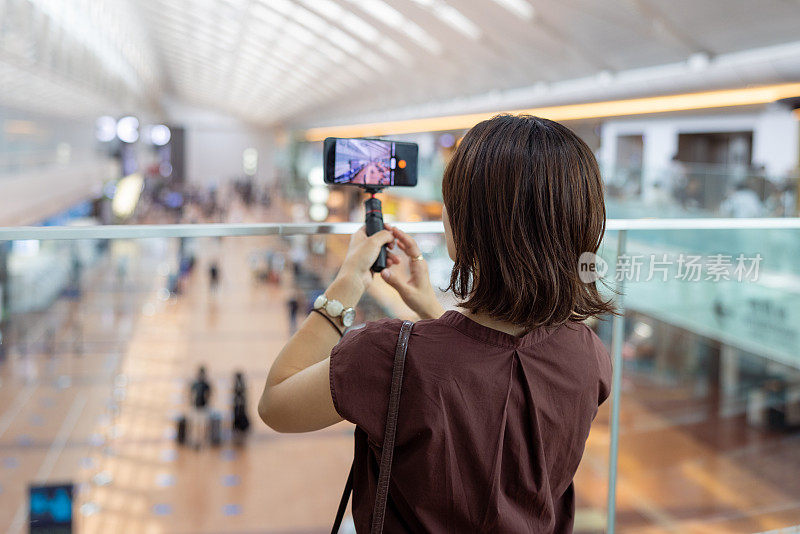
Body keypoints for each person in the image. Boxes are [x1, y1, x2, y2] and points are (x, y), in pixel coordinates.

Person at [259, 115, 614, 532]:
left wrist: (347, 283)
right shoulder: (588, 353)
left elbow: (276, 404)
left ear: (463, 226)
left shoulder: (387, 355)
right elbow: (491, 372)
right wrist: (436, 315)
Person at [189, 366, 212, 449]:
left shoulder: (206, 384)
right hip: (196, 407)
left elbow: (209, 395)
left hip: (203, 407)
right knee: (195, 425)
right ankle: (195, 441)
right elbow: (191, 394)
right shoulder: (195, 384)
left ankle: (202, 441)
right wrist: (192, 403)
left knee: (203, 426)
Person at [231, 372, 250, 446]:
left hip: (241, 404)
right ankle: (237, 429)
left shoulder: (242, 384)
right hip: (237, 403)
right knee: (237, 416)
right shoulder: (237, 383)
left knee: (241, 416)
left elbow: (243, 394)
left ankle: (241, 429)